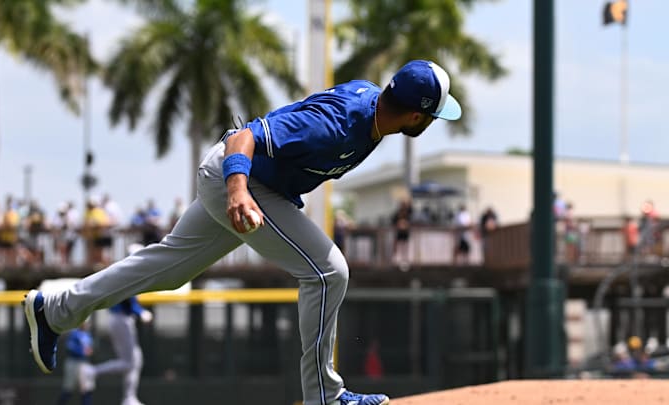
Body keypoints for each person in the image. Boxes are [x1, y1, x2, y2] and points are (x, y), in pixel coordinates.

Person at [24, 59, 462, 405]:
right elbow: (245, 138)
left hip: (251, 183)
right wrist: (237, 191)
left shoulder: (371, 111)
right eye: (432, 115)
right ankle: (325, 398)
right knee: (329, 272)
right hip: (237, 179)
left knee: (168, 268)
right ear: (415, 114)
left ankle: (55, 310)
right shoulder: (342, 122)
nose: (431, 123)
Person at [82, 243, 153, 405]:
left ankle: (129, 397)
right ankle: (93, 371)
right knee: (129, 362)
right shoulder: (129, 270)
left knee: (136, 359)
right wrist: (140, 313)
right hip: (121, 318)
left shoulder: (129, 270)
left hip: (120, 319)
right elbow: (127, 296)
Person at [57, 320, 95, 405]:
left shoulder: (88, 335)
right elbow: (69, 346)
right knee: (68, 389)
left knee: (86, 389)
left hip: (84, 363)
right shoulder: (74, 333)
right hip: (73, 362)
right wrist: (82, 351)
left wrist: (89, 351)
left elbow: (90, 348)